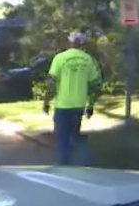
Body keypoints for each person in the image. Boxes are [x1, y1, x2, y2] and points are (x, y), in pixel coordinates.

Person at [43, 31, 102, 166]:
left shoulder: (60, 58)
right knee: (75, 135)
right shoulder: (88, 60)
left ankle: (64, 167)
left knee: (62, 139)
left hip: (63, 105)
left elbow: (51, 82)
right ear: (82, 43)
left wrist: (46, 102)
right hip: (79, 105)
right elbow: (95, 85)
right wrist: (91, 105)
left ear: (69, 42)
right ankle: (82, 163)